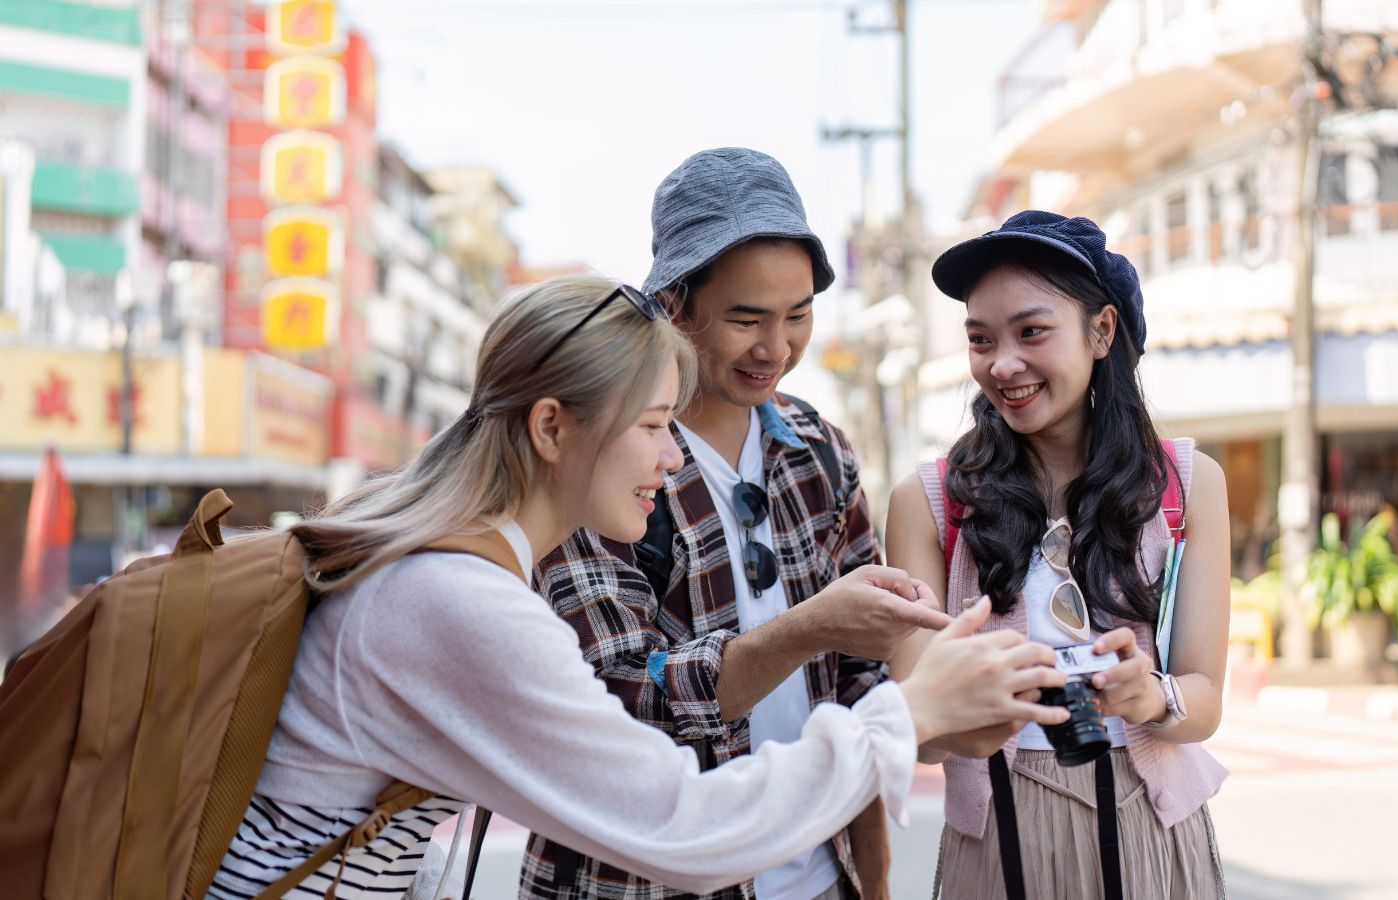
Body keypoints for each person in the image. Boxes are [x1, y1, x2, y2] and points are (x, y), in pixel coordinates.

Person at [207, 275, 1070, 899]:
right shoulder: (454, 602)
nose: (672, 457)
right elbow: (681, 827)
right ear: (552, 427)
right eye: (656, 426)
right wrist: (910, 713)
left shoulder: (442, 562)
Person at [521, 148, 930, 900]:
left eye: (798, 315)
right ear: (673, 305)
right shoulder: (603, 455)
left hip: (818, 876)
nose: (776, 348)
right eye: (747, 318)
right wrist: (812, 626)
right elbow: (620, 694)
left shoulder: (821, 453)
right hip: (637, 884)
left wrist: (871, 875)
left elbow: (861, 687)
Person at [885, 212, 1232, 899]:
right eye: (981, 339)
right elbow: (915, 730)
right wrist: (969, 712)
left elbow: (1205, 701)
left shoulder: (1189, 485)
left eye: (1031, 331)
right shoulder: (926, 501)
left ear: (1101, 331)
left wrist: (1147, 694)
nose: (1001, 363)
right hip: (1001, 838)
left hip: (1153, 833)